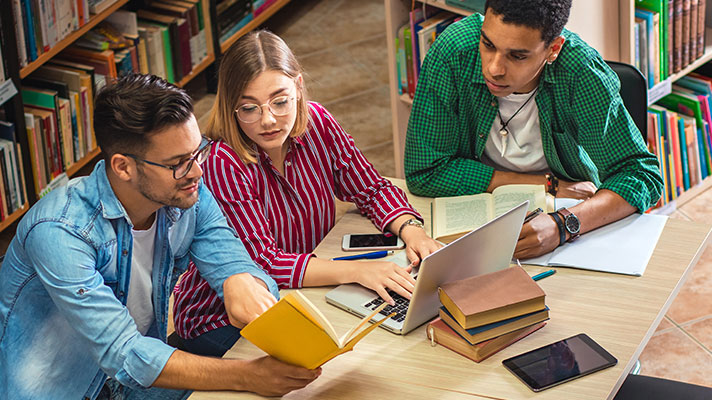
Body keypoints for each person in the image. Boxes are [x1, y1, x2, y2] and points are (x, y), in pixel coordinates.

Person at [0, 74, 321, 400]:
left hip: (133, 379)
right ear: (123, 167)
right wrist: (247, 376)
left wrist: (241, 280)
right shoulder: (60, 231)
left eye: (198, 153)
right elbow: (123, 352)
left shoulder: (184, 194)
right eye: (178, 163)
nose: (197, 171)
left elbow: (233, 262)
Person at [173, 30, 442, 357]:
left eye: (280, 101)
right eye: (249, 108)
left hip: (298, 293)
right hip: (218, 317)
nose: (268, 120)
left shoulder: (319, 123)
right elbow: (265, 264)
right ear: (231, 107)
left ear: (298, 87)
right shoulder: (221, 162)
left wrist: (411, 230)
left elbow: (370, 187)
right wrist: (357, 270)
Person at [404, 0, 663, 259]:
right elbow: (425, 171)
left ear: (553, 49)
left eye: (517, 56)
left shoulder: (581, 71)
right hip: (483, 211)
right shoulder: (453, 52)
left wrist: (562, 225)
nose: (494, 69)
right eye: (488, 44)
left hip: (567, 218)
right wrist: (548, 184)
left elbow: (641, 175)